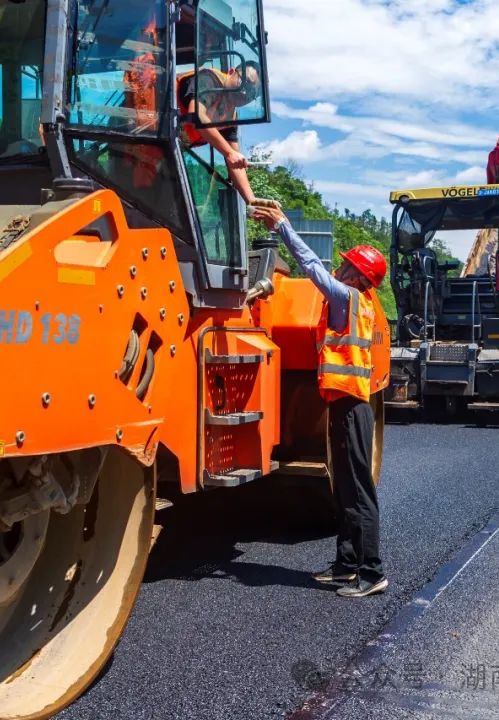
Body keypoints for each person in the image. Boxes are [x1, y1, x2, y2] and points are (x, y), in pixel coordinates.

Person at [251, 204, 389, 598]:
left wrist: (283, 228)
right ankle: (346, 565)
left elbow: (311, 267)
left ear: (358, 276)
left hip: (352, 408)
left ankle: (372, 571)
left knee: (359, 489)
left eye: (347, 266)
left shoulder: (347, 297)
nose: (340, 269)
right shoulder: (350, 302)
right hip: (342, 405)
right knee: (344, 487)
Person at [178, 64, 263, 205]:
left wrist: (252, 201)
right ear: (231, 72)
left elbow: (235, 163)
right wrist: (230, 153)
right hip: (146, 130)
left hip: (169, 147)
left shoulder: (231, 116)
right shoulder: (209, 80)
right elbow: (196, 116)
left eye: (251, 93)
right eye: (245, 82)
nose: (244, 93)